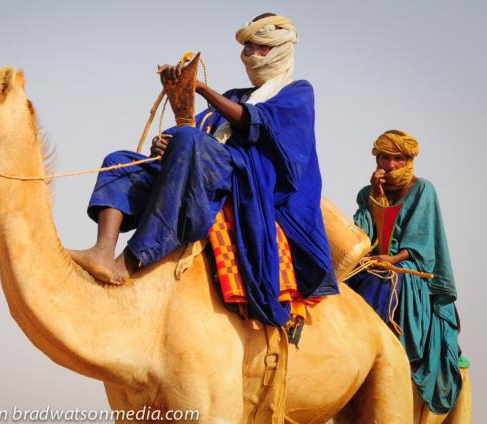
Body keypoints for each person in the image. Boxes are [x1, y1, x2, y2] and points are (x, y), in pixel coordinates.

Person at [71, 13, 338, 328]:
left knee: (188, 139)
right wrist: (165, 140)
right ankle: (103, 250)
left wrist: (200, 89)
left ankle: (131, 260)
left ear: (279, 49)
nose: (250, 54)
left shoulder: (298, 93)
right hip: (208, 166)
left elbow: (255, 122)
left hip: (252, 182)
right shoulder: (235, 97)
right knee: (119, 160)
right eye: (248, 47)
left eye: (259, 47)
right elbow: (198, 128)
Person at [346, 129, 462, 414]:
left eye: (396, 158)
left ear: (408, 160)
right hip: (373, 262)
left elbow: (421, 240)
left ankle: (380, 345)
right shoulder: (367, 192)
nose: (389, 164)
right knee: (343, 283)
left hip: (409, 268)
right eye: (384, 157)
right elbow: (363, 233)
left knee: (385, 279)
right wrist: (375, 195)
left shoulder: (423, 189)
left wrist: (394, 259)